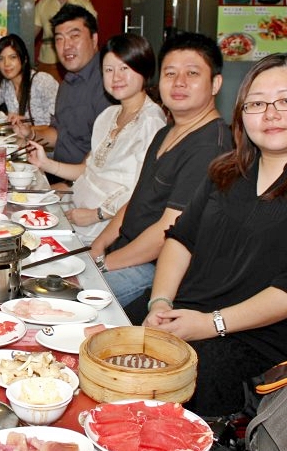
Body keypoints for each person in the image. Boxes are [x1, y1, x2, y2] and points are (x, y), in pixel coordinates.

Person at [132, 54, 287, 416]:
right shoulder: (226, 171)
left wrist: (211, 323)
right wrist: (160, 302)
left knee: (162, 386)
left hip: (260, 341)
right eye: (256, 103)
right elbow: (181, 239)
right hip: (187, 313)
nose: (270, 114)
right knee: (103, 333)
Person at [90, 33, 233, 307]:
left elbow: (167, 232)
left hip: (154, 270)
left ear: (215, 83)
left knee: (69, 300)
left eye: (192, 73)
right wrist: (97, 246)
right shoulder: (167, 132)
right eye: (170, 73)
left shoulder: (210, 147)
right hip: (124, 252)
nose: (179, 82)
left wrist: (104, 264)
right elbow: (137, 201)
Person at [26, 34, 167, 243]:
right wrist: (46, 164)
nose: (116, 77)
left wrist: (96, 215)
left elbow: (140, 192)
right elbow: (88, 169)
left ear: (144, 70)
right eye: (109, 70)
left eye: (124, 68)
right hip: (75, 211)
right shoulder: (108, 115)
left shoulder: (151, 122)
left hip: (104, 229)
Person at [14, 4, 111, 167]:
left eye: (74, 36)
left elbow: (105, 154)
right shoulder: (67, 83)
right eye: (59, 39)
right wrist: (30, 133)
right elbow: (59, 135)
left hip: (85, 178)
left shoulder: (108, 81)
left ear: (94, 39)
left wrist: (60, 178)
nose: (66, 46)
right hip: (60, 172)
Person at [0, 33, 58, 125]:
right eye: (1, 59)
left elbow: (59, 123)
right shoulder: (6, 85)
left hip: (42, 137)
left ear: (24, 59)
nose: (6, 63)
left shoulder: (43, 81)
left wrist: (27, 124)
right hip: (19, 136)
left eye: (13, 57)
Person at [33, 0, 97, 79]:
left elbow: (93, 41)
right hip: (47, 63)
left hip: (76, 63)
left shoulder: (85, 6)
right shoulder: (43, 4)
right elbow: (31, 36)